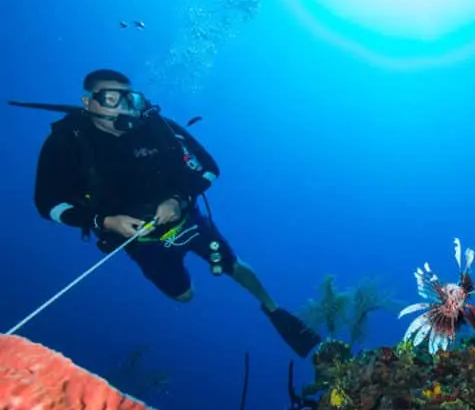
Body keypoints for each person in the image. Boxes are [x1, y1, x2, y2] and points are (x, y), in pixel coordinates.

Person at [33, 69, 321, 358]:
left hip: (186, 220)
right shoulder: (65, 143)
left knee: (232, 264)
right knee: (184, 296)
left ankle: (273, 309)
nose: (122, 107)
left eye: (129, 99)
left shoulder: (157, 128)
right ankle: (179, 273)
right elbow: (47, 204)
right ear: (88, 103)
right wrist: (105, 222)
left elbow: (209, 168)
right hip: (139, 241)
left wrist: (178, 199)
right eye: (110, 98)